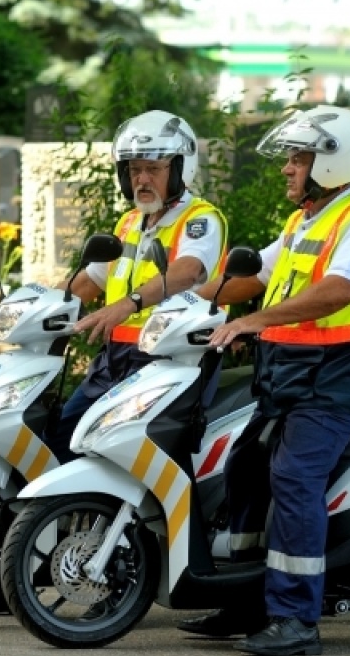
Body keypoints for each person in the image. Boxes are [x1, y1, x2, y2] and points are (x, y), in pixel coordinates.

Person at [176, 105, 350, 656]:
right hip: (296, 382)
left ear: (330, 162)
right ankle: (250, 600)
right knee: (245, 467)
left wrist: (253, 322)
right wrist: (178, 306)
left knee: (295, 478)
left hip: (340, 383)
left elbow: (341, 290)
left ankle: (297, 619)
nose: (287, 168)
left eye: (298, 158)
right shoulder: (305, 222)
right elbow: (251, 277)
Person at [45, 110, 228, 462]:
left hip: (171, 359)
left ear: (178, 170)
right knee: (63, 438)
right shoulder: (129, 221)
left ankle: (173, 518)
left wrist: (129, 303)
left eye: (153, 169)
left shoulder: (200, 220)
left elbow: (186, 271)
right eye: (133, 170)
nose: (142, 179)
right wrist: (44, 310)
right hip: (115, 359)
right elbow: (90, 280)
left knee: (142, 457)